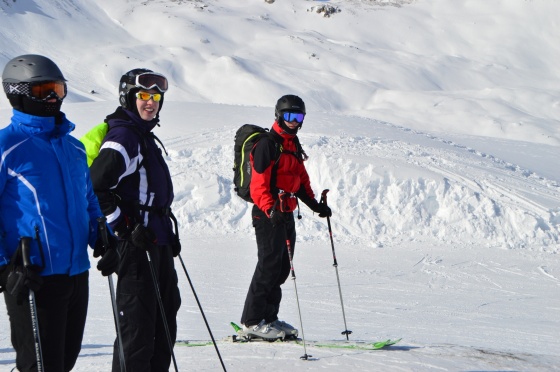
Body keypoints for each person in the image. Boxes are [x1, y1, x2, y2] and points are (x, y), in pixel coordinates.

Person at [0, 54, 112, 371]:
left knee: (64, 362)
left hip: (76, 275)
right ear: (17, 92)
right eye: (43, 91)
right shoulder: (7, 146)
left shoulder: (73, 148)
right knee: (40, 366)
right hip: (32, 278)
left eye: (58, 90)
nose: (53, 98)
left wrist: (103, 236)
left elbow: (87, 199)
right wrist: (4, 269)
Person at [87, 68, 181, 372]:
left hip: (157, 241)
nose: (150, 102)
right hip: (138, 248)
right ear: (129, 97)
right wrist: (124, 229)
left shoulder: (143, 135)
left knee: (163, 327)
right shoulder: (125, 135)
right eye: (143, 95)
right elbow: (96, 185)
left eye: (155, 96)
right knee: (139, 333)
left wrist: (166, 232)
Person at [240, 94, 332, 339]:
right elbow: (258, 184)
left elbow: (300, 179)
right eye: (289, 116)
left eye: (298, 116)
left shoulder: (292, 143)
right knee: (268, 266)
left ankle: (269, 318)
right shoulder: (268, 144)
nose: (293, 121)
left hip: (286, 212)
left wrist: (315, 205)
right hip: (267, 213)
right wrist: (271, 210)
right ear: (279, 115)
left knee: (281, 268)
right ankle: (251, 321)